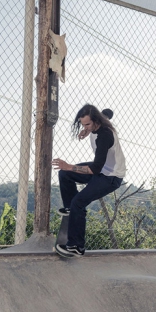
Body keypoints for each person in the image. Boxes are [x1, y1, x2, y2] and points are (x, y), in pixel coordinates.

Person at [52, 104, 126, 257]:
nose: (85, 127)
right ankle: (72, 210)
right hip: (101, 169)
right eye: (82, 124)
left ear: (96, 121)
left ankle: (76, 247)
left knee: (78, 201)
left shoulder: (105, 136)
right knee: (64, 175)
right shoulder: (100, 119)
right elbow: (108, 112)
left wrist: (69, 166)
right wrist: (87, 129)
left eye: (88, 124)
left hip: (110, 176)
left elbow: (95, 169)